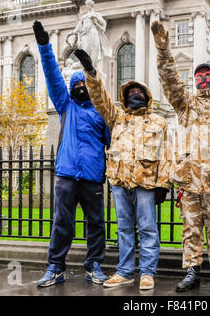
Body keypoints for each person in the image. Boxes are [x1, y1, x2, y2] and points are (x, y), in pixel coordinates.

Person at [151, 21, 210, 293]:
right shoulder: (185, 104)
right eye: (199, 76)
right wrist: (163, 49)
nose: (204, 79)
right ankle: (192, 271)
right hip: (190, 180)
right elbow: (170, 80)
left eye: (208, 75)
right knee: (190, 229)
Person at [74, 48, 171, 290]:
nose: (134, 95)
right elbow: (100, 98)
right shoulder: (116, 117)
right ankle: (125, 271)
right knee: (125, 227)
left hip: (147, 182)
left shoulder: (159, 122)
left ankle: (147, 272)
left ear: (146, 96)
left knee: (148, 228)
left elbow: (167, 154)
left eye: (138, 92)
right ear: (124, 97)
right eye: (130, 93)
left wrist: (164, 185)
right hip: (119, 181)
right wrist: (91, 73)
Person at [33, 21, 111, 287]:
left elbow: (112, 141)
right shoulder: (66, 105)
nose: (80, 87)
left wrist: (90, 71)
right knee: (61, 223)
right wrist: (44, 47)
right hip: (66, 175)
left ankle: (94, 265)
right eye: (76, 83)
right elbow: (53, 75)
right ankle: (55, 267)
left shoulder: (101, 113)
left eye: (84, 84)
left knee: (96, 225)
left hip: (91, 178)